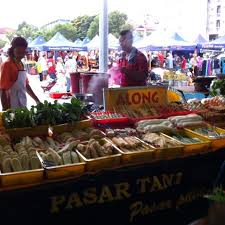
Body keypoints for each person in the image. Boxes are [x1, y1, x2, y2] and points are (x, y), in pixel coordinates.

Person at [0, 37, 40, 110]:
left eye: (23, 52)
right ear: (12, 50)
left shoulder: (21, 63)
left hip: (22, 102)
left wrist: (37, 100)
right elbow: (3, 90)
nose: (21, 55)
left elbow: (26, 85)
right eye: (18, 52)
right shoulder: (7, 65)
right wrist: (6, 111)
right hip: (10, 105)